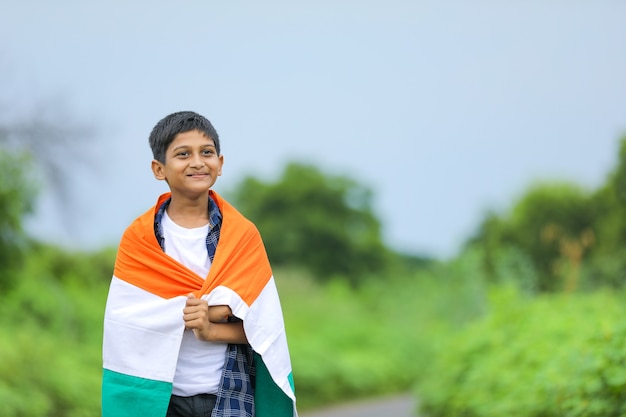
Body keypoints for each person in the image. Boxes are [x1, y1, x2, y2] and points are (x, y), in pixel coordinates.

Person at [101, 111, 297, 417]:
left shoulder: (241, 235)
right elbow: (127, 324)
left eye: (206, 152)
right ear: (158, 168)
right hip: (163, 399)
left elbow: (264, 327)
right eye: (182, 154)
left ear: (220, 164)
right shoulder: (140, 238)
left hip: (228, 393)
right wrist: (219, 310)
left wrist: (211, 327)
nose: (197, 162)